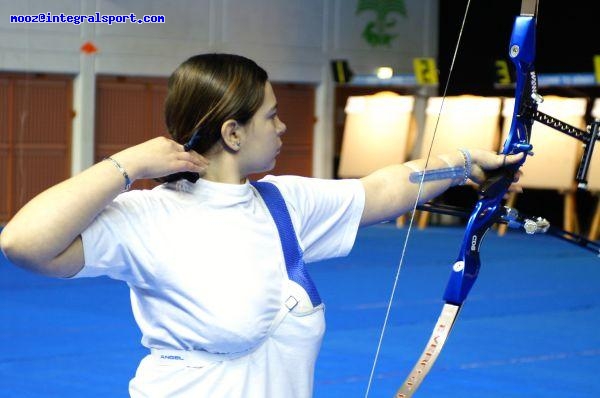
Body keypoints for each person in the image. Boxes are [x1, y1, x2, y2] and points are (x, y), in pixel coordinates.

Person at [0, 53, 522, 397]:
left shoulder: (284, 203)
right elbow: (24, 244)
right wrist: (128, 166)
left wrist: (466, 163)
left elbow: (386, 188)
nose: (283, 125)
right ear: (232, 132)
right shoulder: (147, 217)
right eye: (271, 116)